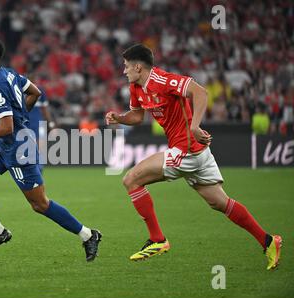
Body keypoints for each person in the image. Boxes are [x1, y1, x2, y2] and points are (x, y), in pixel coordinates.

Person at [105, 44, 282, 270]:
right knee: (220, 203)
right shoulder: (136, 87)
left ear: (138, 67)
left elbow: (200, 92)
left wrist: (195, 126)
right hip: (194, 152)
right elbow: (138, 116)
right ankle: (268, 241)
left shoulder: (163, 80)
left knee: (131, 179)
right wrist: (119, 118)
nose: (124, 71)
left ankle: (158, 240)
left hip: (186, 148)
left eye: (127, 66)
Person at [0, 36, 101, 261]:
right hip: (6, 145)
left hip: (18, 149)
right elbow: (35, 92)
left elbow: (6, 126)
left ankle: (88, 235)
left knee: (40, 204)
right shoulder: (9, 74)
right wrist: (21, 115)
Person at [26, 85, 56, 172]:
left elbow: (45, 109)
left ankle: (38, 168)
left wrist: (50, 124)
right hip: (27, 122)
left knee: (40, 147)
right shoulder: (20, 89)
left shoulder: (40, 90)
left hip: (39, 123)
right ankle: (34, 168)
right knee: (30, 147)